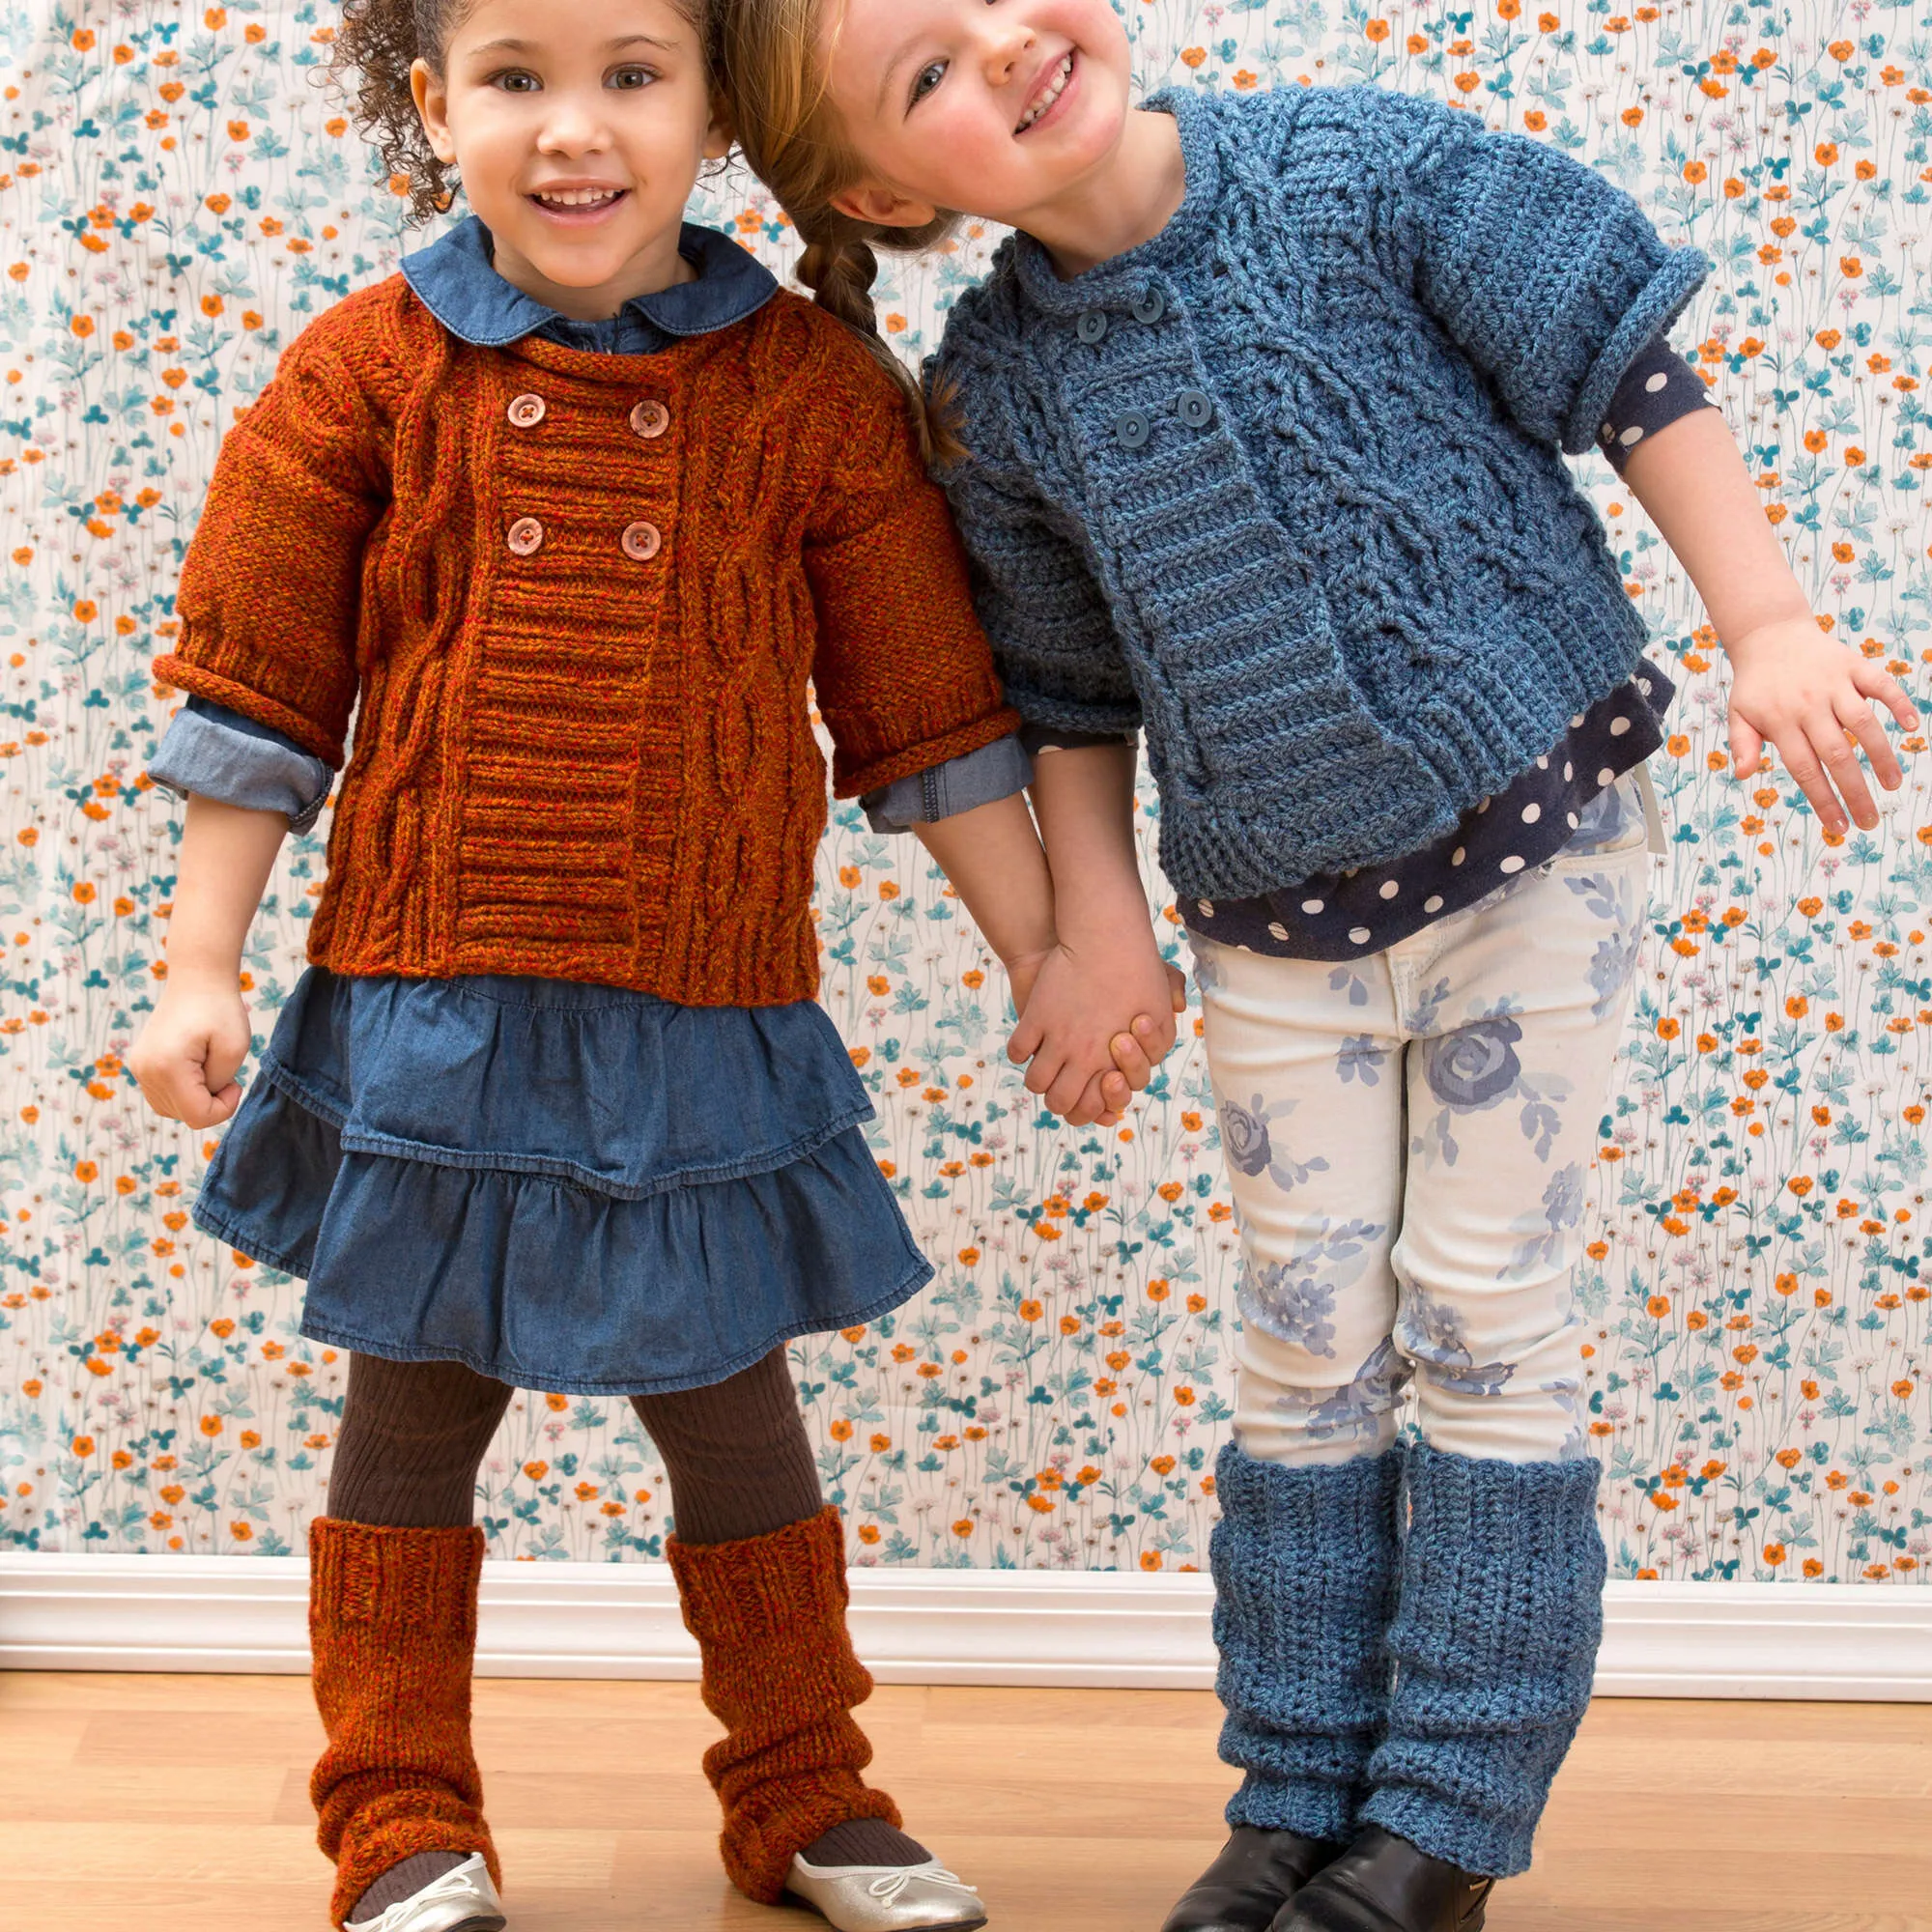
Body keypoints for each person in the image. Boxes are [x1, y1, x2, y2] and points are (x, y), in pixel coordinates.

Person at [706, 5, 1918, 1928]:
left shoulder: (1355, 174)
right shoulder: (999, 397)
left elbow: (1626, 358)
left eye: (991, 2)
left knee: (1478, 1302)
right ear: (883, 191)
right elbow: (1066, 693)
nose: (1002, 52)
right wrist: (1093, 923)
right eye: (925, 73)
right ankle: (1296, 1789)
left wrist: (1763, 618)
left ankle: (1442, 1812)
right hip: (1272, 918)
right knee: (1297, 1333)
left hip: (1540, 840)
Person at [129, 2, 1164, 1927]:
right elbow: (260, 689)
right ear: (435, 107)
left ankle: (803, 1791)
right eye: (516, 79)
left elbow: (923, 717)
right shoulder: (362, 373)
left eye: (631, 73)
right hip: (432, 1006)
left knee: (736, 1419)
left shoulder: (808, 393)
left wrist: (1049, 948)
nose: (574, 131)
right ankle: (400, 1816)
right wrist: (203, 959)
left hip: (701, 1013)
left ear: (710, 112)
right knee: (410, 1422)